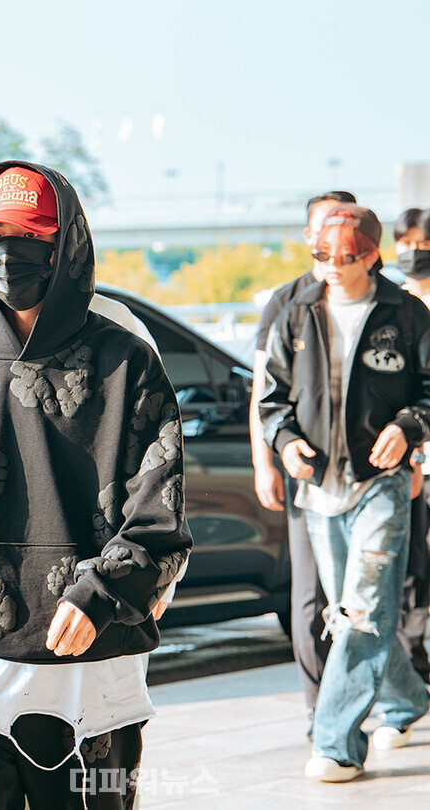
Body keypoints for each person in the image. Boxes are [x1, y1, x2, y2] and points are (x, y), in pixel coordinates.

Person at [0, 161, 192, 809]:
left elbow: (160, 516)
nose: (8, 254)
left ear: (67, 243)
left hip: (91, 689)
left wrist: (104, 594)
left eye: (28, 237)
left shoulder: (126, 353)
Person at [260, 203, 430, 782]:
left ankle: (335, 744)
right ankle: (408, 699)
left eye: (345, 256)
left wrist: (407, 427)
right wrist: (285, 445)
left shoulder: (407, 314)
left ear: (372, 256)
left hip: (381, 486)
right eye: (321, 255)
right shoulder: (295, 312)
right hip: (318, 490)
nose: (331, 265)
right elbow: (271, 399)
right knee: (355, 613)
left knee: (360, 611)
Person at [249, 190, 356, 733]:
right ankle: (320, 707)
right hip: (306, 471)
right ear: (309, 236)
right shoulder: (286, 304)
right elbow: (263, 390)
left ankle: (362, 700)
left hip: (370, 475)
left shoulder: (380, 301)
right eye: (322, 226)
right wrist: (264, 461)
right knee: (310, 593)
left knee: (364, 594)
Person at [393, 207, 430, 683]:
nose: (414, 253)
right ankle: (415, 666)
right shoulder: (396, 308)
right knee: (413, 567)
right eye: (406, 244)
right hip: (414, 458)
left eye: (423, 244)